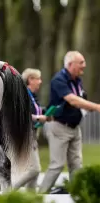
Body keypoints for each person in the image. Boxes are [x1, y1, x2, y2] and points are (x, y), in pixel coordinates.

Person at [39, 51, 100, 193]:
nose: (84, 66)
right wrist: (96, 107)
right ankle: (40, 197)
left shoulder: (77, 80)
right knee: (57, 165)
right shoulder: (58, 80)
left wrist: (86, 107)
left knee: (76, 164)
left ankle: (78, 196)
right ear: (71, 64)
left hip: (74, 128)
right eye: (81, 63)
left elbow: (80, 100)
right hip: (58, 127)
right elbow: (72, 99)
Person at [13, 68, 51, 191]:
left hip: (33, 134)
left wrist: (47, 114)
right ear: (30, 79)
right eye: (38, 79)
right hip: (25, 135)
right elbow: (21, 114)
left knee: (35, 175)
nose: (40, 82)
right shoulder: (23, 95)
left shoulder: (33, 96)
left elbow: (35, 111)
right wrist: (38, 118)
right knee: (34, 169)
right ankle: (9, 189)